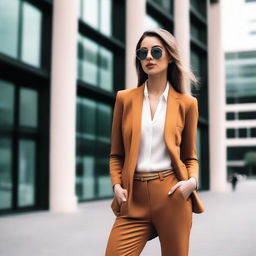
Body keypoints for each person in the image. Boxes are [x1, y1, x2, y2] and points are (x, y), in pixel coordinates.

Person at [105, 28, 205, 256]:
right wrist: (116, 185)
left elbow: (190, 156)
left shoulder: (187, 104)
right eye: (143, 53)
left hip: (172, 196)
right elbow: (116, 154)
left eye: (157, 51)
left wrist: (192, 182)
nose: (149, 57)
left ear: (170, 56)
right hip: (133, 196)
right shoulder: (124, 99)